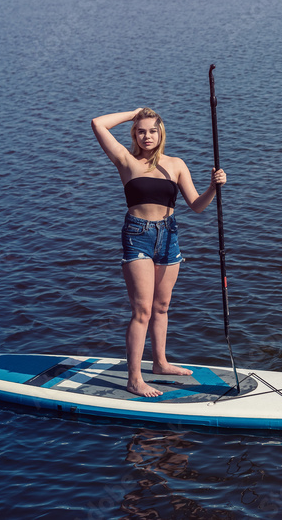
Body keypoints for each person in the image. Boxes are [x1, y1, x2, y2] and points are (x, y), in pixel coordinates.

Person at [91, 107, 226, 397]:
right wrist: (136, 113)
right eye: (141, 131)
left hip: (168, 236)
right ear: (134, 134)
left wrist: (213, 188)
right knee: (142, 311)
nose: (147, 136)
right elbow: (97, 123)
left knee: (162, 307)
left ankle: (161, 363)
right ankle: (134, 379)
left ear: (161, 133)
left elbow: (197, 206)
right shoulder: (125, 160)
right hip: (137, 236)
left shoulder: (175, 165)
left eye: (152, 130)